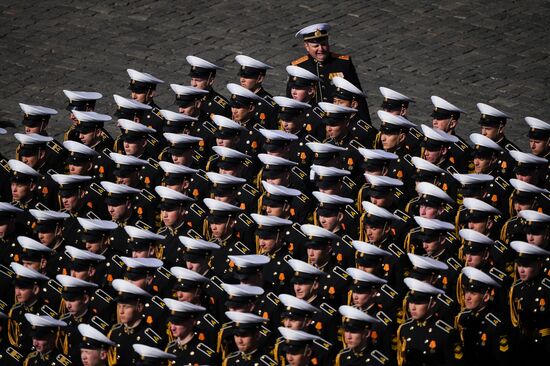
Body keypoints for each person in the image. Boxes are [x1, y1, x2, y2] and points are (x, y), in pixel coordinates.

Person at [289, 23, 363, 104]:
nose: (321, 49)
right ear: (307, 46)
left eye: (324, 44)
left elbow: (357, 96)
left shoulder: (343, 63)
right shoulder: (298, 67)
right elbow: (290, 100)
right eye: (316, 46)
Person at [396, 277, 464, 366]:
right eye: (411, 302)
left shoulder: (445, 333)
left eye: (418, 303)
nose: (412, 307)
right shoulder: (405, 328)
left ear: (432, 303)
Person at [455, 267, 512, 365]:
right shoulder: (462, 317)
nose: (467, 297)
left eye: (473, 293)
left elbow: (502, 359)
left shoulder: (496, 324)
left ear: (486, 297)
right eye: (466, 292)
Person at [107, 279, 164, 366]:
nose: (121, 311)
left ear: (139, 307)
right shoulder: (115, 333)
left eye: (126, 307)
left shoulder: (150, 339)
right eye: (119, 306)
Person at [509, 241, 550, 360]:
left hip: (545, 345)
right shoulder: (516, 288)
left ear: (539, 264)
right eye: (519, 265)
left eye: (526, 266)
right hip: (524, 344)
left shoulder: (547, 288)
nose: (521, 270)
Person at [429, 96, 472, 173]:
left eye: (439, 119)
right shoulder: (428, 139)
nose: (434, 122)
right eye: (434, 118)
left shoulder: (461, 151)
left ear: (452, 124)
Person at [234, 54, 278, 128]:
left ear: (259, 78)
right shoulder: (237, 97)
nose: (242, 80)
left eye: (247, 77)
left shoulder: (270, 106)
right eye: (241, 75)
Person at [126, 68, 165, 138]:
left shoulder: (158, 118)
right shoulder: (128, 110)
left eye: (138, 92)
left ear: (151, 93)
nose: (133, 96)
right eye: (132, 91)